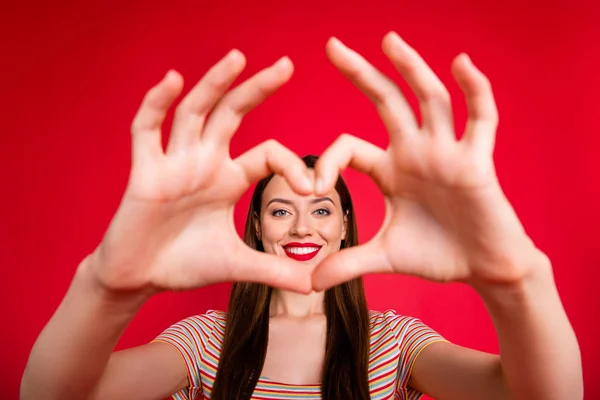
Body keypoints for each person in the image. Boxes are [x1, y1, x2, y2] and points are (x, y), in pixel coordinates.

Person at [20, 32, 582, 400]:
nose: (302, 227)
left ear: (343, 225)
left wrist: (519, 280)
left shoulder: (395, 343)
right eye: (281, 210)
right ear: (258, 228)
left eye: (320, 209)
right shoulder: (202, 343)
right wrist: (105, 288)